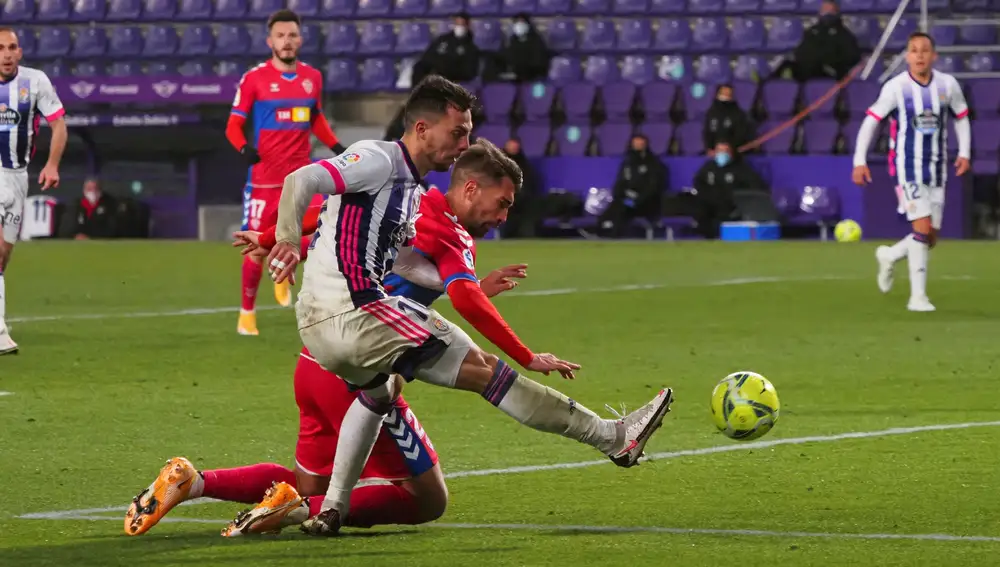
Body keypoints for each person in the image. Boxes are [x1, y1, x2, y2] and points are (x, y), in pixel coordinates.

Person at [265, 76, 673, 536]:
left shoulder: (412, 195)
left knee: (379, 393)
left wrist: (275, 241)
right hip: (355, 314)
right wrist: (282, 240)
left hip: (322, 329)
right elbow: (303, 177)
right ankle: (613, 438)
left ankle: (332, 508)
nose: (465, 143)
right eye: (457, 132)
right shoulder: (379, 160)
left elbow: (366, 239)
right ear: (422, 128)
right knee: (484, 368)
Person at [226, 9, 346, 337]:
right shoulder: (254, 79)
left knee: (321, 234)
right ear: (270, 41)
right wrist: (242, 148)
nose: (287, 41)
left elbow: (315, 118)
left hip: (302, 177)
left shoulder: (313, 78)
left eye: (292, 35)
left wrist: (336, 147)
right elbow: (233, 125)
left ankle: (284, 268)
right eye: (280, 36)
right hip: (264, 179)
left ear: (300, 39)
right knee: (257, 246)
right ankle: (246, 314)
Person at [852, 31, 971, 312]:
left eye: (924, 50)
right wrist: (860, 159)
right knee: (920, 227)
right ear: (907, 56)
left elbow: (962, 116)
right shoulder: (896, 87)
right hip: (906, 166)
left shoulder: (947, 84)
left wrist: (964, 152)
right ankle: (917, 297)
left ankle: (890, 255)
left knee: (930, 237)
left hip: (937, 166)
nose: (919, 55)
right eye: (914, 50)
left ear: (934, 56)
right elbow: (871, 122)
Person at [0, 26, 67, 356]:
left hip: (17, 175)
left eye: (12, 47)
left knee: (3, 257)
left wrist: (52, 165)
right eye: (0, 48)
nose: (7, 54)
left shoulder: (35, 81)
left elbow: (58, 123)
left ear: (20, 52)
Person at [600, 135, 667, 238]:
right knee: (618, 204)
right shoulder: (627, 163)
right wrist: (620, 195)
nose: (637, 146)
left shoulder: (654, 164)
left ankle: (613, 235)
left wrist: (638, 199)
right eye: (635, 144)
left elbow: (654, 188)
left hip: (646, 204)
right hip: (629, 202)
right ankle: (602, 231)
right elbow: (620, 184)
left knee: (621, 206)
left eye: (640, 144)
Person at [412, 13, 481, 85]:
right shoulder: (442, 39)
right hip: (436, 66)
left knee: (444, 66)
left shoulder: (470, 46)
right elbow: (428, 54)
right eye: (457, 24)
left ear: (468, 25)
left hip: (453, 71)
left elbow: (468, 70)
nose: (459, 27)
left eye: (462, 24)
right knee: (419, 67)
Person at [499, 138, 540, 238]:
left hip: (522, 198)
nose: (513, 149)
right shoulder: (498, 164)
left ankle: (526, 235)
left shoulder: (524, 165)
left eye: (515, 147)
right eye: (511, 147)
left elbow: (530, 183)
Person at [703, 84, 753, 154]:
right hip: (714, 154)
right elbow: (707, 132)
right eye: (723, 93)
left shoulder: (738, 114)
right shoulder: (711, 113)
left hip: (733, 153)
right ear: (717, 95)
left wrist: (729, 148)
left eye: (728, 94)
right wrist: (710, 148)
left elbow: (740, 135)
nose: (725, 96)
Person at [500, 14, 551, 83]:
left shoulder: (536, 40)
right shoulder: (513, 40)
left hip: (533, 75)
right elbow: (510, 58)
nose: (519, 25)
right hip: (516, 75)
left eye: (521, 22)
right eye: (516, 22)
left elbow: (539, 61)